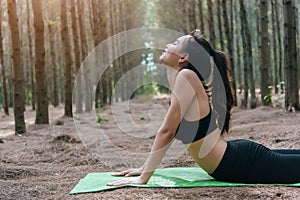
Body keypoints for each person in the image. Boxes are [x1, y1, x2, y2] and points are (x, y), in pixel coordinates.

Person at [107, 29, 300, 186]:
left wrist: (144, 177)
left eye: (174, 43)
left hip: (238, 162)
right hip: (234, 158)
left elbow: (167, 131)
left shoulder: (186, 77)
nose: (167, 45)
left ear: (183, 57)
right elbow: (169, 131)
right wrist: (144, 168)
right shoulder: (179, 77)